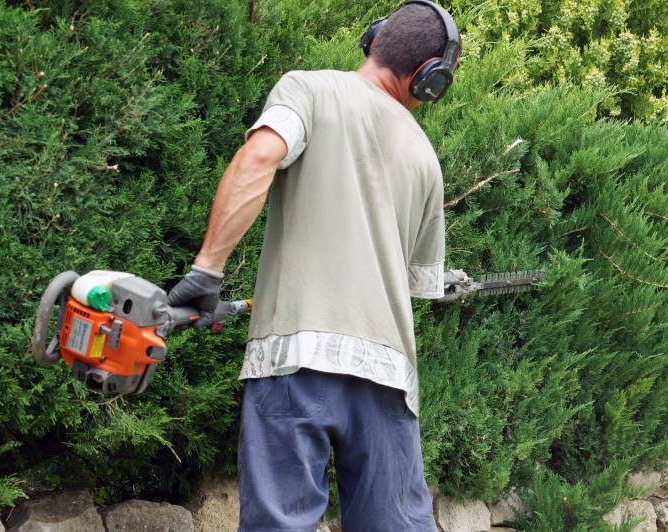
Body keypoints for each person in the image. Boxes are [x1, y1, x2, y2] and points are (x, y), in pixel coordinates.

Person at [167, 2, 461, 530]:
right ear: (429, 80)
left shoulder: (309, 89)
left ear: (372, 40)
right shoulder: (426, 159)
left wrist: (207, 272)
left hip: (293, 358)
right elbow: (422, 284)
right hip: (387, 376)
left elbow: (258, 158)